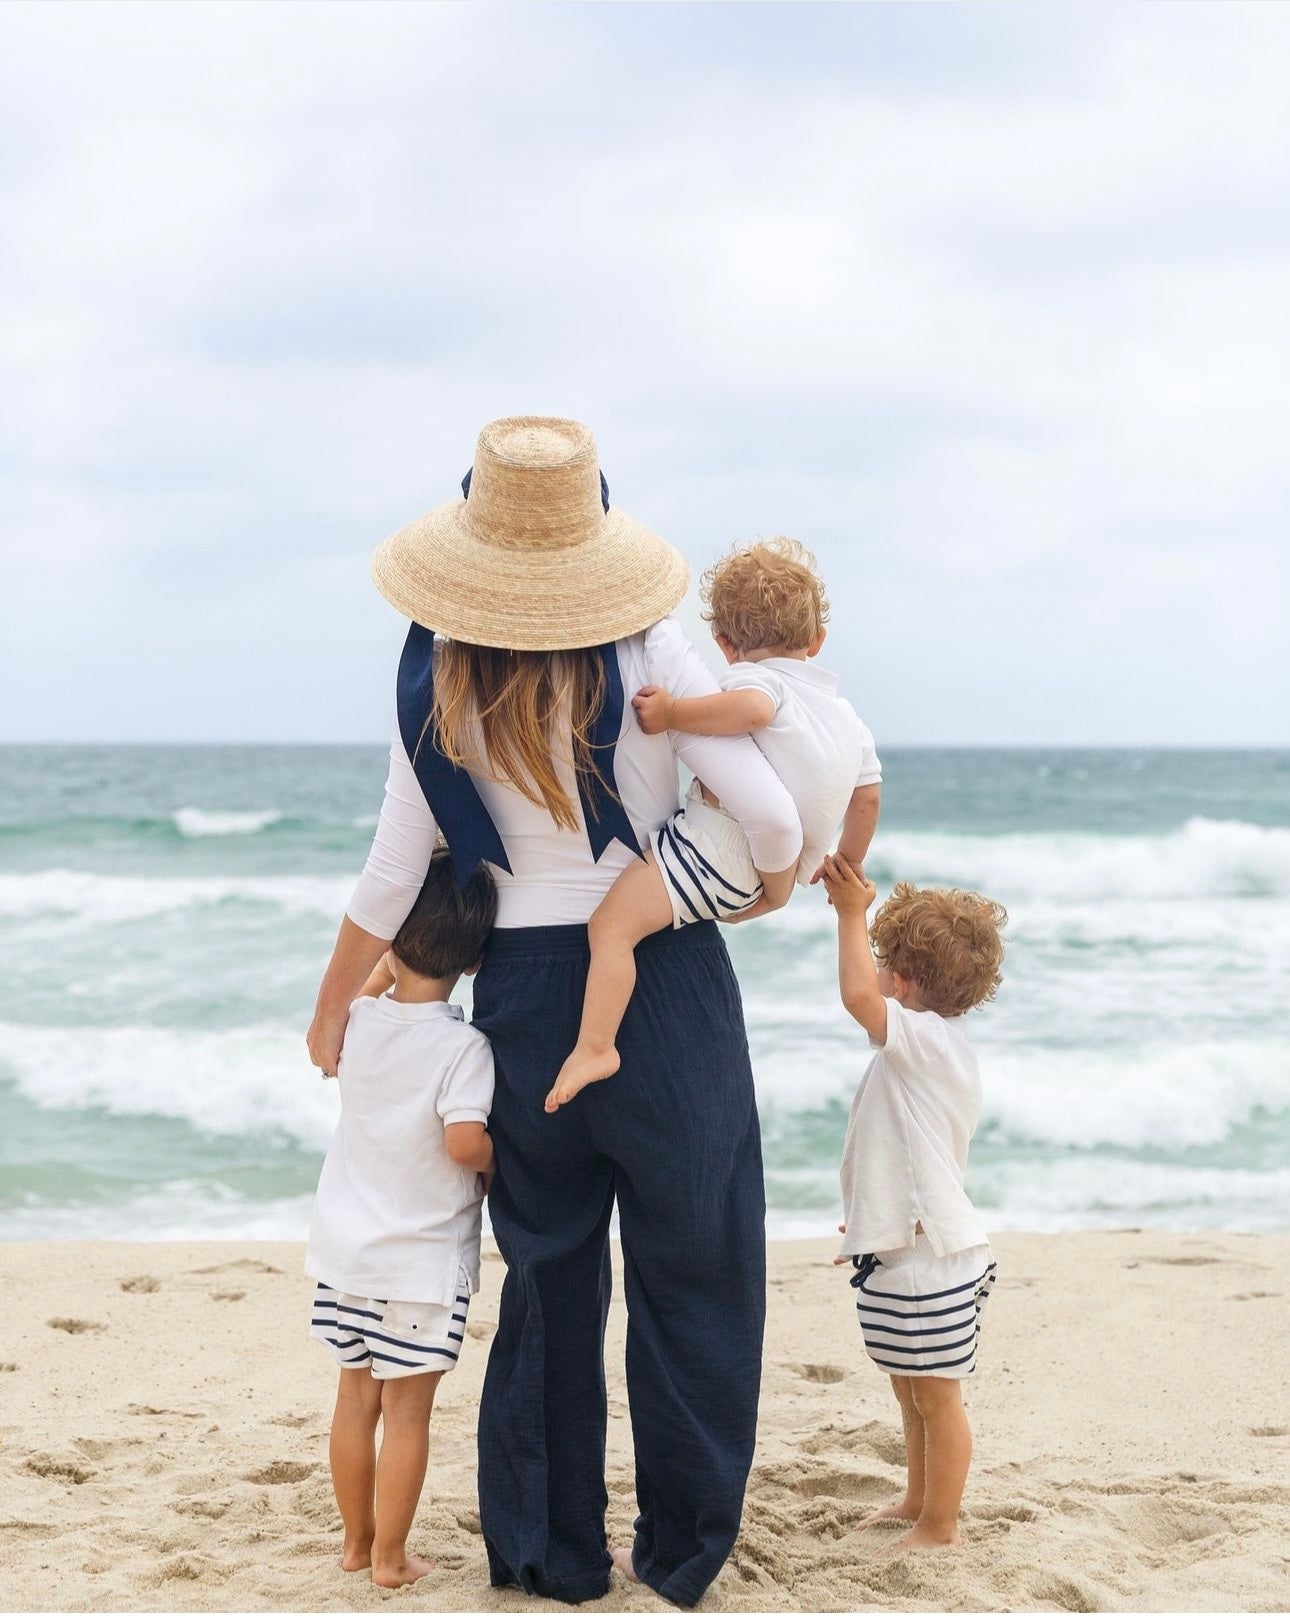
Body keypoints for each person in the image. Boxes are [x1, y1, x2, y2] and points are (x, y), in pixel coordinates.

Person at [306, 417, 803, 1607]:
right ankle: (679, 1551)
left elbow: (391, 872)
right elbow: (775, 819)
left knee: (549, 1274)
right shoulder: (654, 652)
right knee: (697, 1264)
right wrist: (756, 894)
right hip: (666, 981)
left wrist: (331, 1011)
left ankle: (549, 1555)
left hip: (524, 995)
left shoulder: (436, 677)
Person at [546, 535, 881, 1110]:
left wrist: (676, 713)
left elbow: (750, 710)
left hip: (713, 850)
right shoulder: (848, 720)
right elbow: (868, 797)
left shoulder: (762, 683)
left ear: (724, 644)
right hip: (745, 869)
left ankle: (596, 1046)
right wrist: (845, 861)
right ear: (818, 640)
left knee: (610, 928)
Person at [306, 850, 498, 1589]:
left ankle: (356, 1545)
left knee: (355, 1398)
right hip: (417, 1269)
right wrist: (496, 1163)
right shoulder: (462, 1048)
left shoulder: (356, 1023)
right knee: (407, 1414)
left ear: (390, 938)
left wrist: (383, 959)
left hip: (343, 1255)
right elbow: (462, 1140)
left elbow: (374, 987)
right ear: (479, 960)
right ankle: (391, 1559)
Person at [819, 858, 1006, 1551]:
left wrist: (848, 914)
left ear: (901, 980)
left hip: (935, 1260)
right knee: (909, 1390)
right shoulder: (922, 1052)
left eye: (885, 964)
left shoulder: (926, 1043)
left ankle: (941, 1525)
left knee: (937, 1396)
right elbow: (894, 1150)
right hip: (903, 1247)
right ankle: (919, 1498)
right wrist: (871, 1212)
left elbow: (856, 1000)